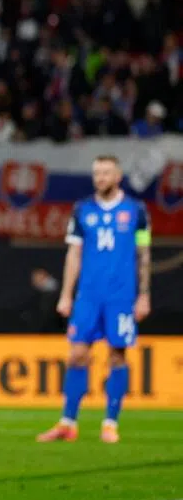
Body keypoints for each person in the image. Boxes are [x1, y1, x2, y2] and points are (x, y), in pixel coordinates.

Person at [38, 155, 150, 445]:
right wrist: (66, 294)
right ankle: (68, 423)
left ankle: (110, 423)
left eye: (105, 173)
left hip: (121, 296)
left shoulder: (136, 211)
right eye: (96, 173)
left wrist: (144, 295)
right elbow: (73, 254)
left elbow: (144, 255)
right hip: (88, 295)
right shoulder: (82, 210)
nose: (99, 178)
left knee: (117, 356)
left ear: (118, 175)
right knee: (76, 355)